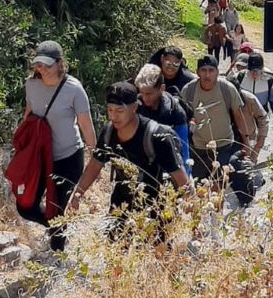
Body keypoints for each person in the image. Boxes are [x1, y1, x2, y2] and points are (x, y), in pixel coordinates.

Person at [70, 82, 190, 229]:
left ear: (134, 107)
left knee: (154, 243)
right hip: (122, 204)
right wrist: (77, 195)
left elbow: (180, 177)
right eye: (110, 110)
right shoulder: (108, 133)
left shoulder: (156, 136)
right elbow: (95, 165)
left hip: (157, 208)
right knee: (115, 241)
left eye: (119, 111)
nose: (113, 116)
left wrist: (193, 214)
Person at [19, 40, 96, 252]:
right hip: (39, 157)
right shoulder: (31, 85)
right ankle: (57, 227)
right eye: (38, 64)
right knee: (25, 206)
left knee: (57, 207)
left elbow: (86, 125)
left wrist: (95, 156)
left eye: (47, 65)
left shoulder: (74, 88)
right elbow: (29, 114)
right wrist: (22, 143)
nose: (42, 69)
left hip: (68, 157)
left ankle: (57, 256)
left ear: (60, 63)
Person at [181, 56, 252, 205]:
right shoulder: (188, 91)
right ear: (197, 72)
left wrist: (246, 142)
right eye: (203, 70)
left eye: (211, 70)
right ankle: (201, 218)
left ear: (217, 72)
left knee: (218, 187)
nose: (207, 75)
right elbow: (182, 119)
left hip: (223, 146)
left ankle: (217, 216)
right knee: (199, 190)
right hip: (198, 148)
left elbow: (239, 116)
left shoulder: (227, 88)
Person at [135, 63, 190, 172]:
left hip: (168, 167)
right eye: (142, 93)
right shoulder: (135, 106)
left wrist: (186, 177)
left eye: (149, 94)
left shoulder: (176, 112)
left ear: (162, 88)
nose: (145, 98)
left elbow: (183, 151)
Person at [235, 53, 273, 144]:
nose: (254, 73)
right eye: (252, 70)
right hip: (243, 117)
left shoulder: (269, 80)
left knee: (258, 145)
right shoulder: (239, 77)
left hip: (261, 119)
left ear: (262, 69)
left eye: (257, 70)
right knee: (243, 145)